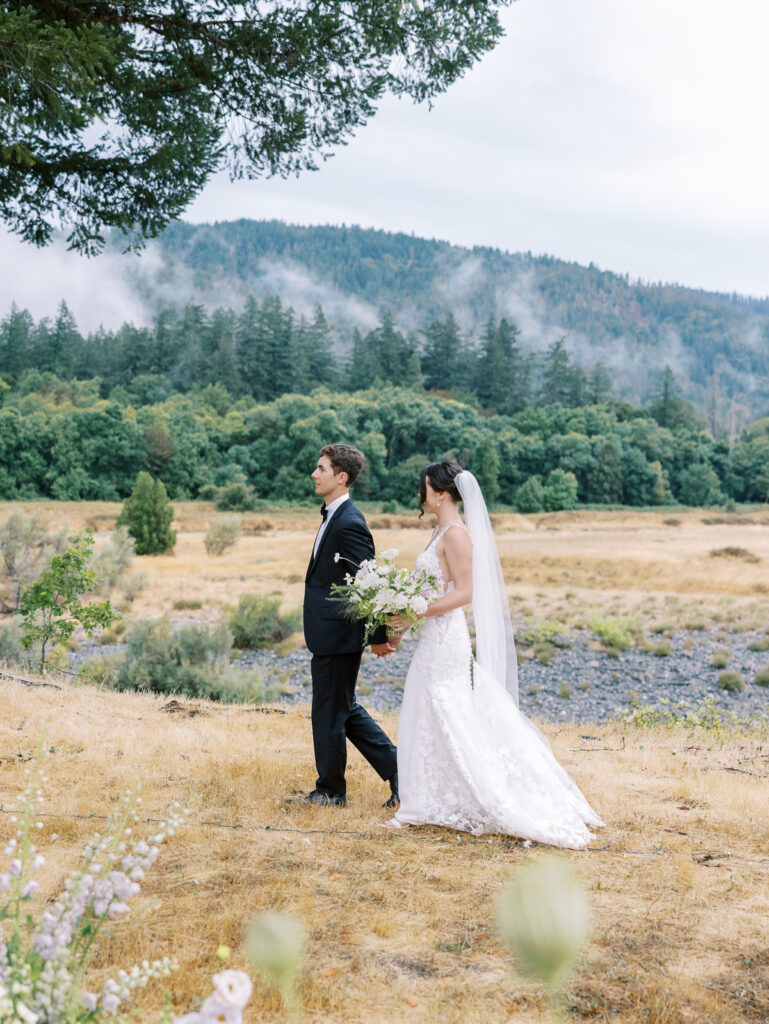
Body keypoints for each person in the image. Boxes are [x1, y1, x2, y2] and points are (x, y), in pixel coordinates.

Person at [384, 461, 603, 848]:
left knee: (442, 709)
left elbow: (465, 592)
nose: (421, 496)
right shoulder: (440, 532)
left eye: (425, 489)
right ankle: (422, 799)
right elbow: (435, 584)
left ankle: (435, 800)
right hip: (433, 634)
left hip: (445, 637)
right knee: (425, 709)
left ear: (441, 493)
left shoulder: (456, 534)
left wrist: (419, 609)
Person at [295, 444, 399, 808]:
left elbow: (370, 583)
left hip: (339, 635)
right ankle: (400, 770)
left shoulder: (350, 522)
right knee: (342, 709)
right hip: (330, 633)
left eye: (321, 468)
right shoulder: (333, 516)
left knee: (329, 712)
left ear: (341, 477)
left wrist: (379, 636)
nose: (314, 473)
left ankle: (331, 792)